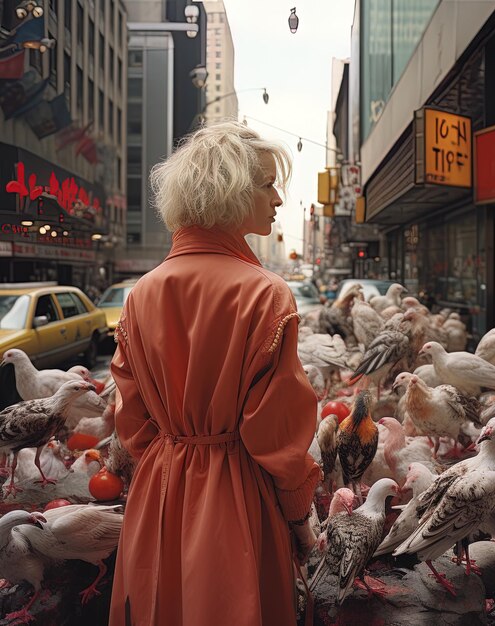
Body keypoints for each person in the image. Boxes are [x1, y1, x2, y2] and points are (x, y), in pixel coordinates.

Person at [108, 121, 321, 626]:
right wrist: (299, 517)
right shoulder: (265, 294)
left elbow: (133, 425)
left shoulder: (140, 296)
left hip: (158, 494)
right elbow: (279, 437)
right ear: (230, 191)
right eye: (267, 183)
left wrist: (172, 458)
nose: (278, 198)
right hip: (237, 495)